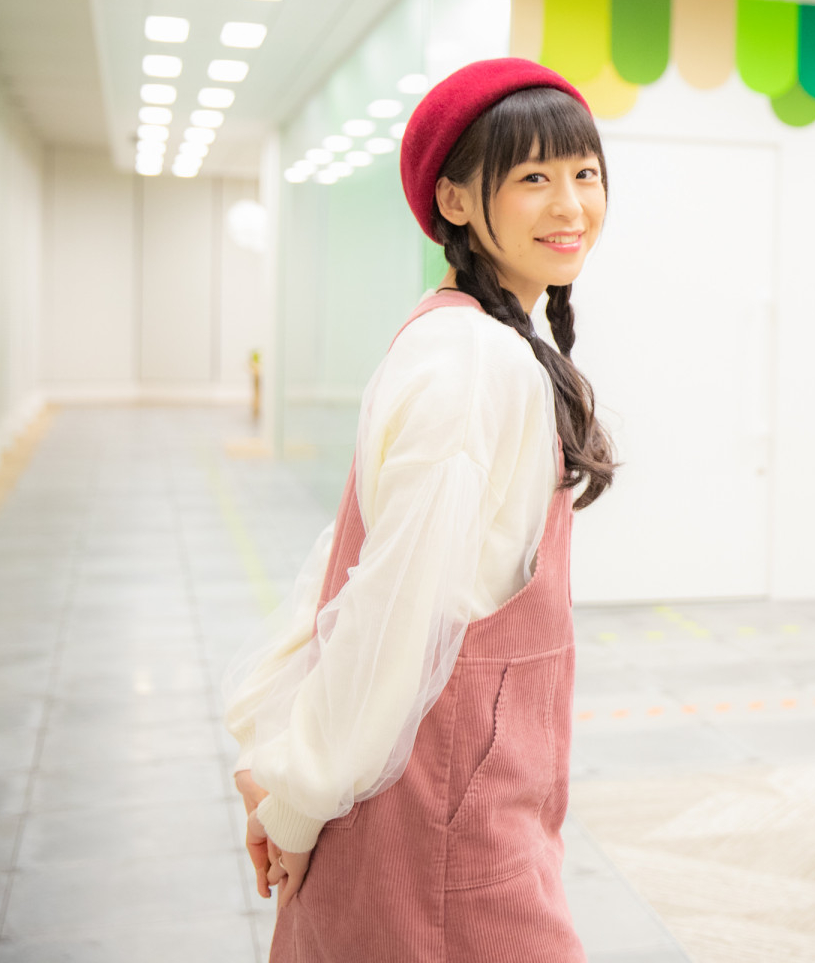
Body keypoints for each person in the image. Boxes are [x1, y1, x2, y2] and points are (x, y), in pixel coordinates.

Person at [222, 58, 616, 961]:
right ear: (456, 199)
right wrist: (295, 796)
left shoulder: (464, 336)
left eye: (586, 173)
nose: (570, 205)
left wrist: (284, 763)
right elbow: (387, 602)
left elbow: (348, 558)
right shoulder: (477, 360)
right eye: (533, 178)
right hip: (438, 829)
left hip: (442, 811)